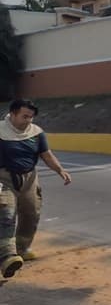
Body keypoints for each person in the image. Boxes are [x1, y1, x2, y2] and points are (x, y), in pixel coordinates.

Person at [0, 99, 71, 279]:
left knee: (31, 213)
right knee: (6, 215)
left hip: (29, 178)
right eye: (25, 116)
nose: (28, 120)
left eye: (31, 117)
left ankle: (22, 249)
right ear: (13, 114)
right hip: (3, 179)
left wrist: (60, 170)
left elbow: (45, 154)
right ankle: (7, 257)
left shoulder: (36, 133)